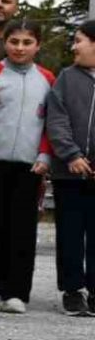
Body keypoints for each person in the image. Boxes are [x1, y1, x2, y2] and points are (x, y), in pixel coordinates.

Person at [0, 19, 56, 314]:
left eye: (27, 42)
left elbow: (51, 123)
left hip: (29, 166)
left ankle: (17, 292)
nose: (20, 48)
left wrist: (45, 155)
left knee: (22, 228)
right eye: (14, 41)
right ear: (5, 42)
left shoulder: (47, 78)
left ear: (37, 45)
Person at [45, 19, 95, 316]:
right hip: (69, 173)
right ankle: (72, 291)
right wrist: (71, 154)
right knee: (70, 234)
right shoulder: (66, 77)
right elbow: (56, 119)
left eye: (78, 40)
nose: (73, 47)